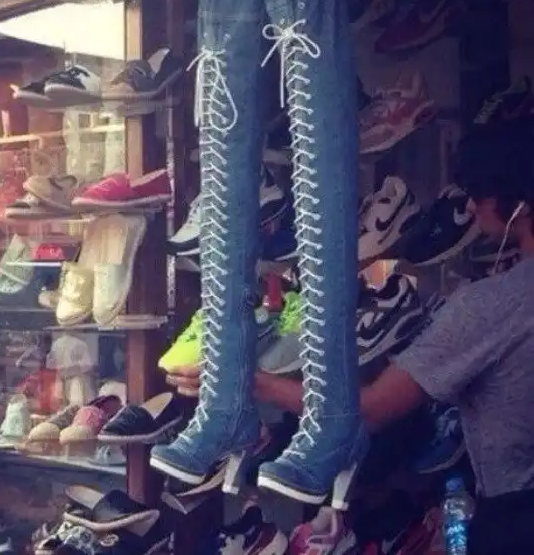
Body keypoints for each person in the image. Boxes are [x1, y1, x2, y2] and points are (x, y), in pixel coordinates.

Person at [166, 117, 534, 555]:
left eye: (478, 194)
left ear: (520, 205)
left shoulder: (491, 306)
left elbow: (368, 410)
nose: (470, 208)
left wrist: (246, 379)